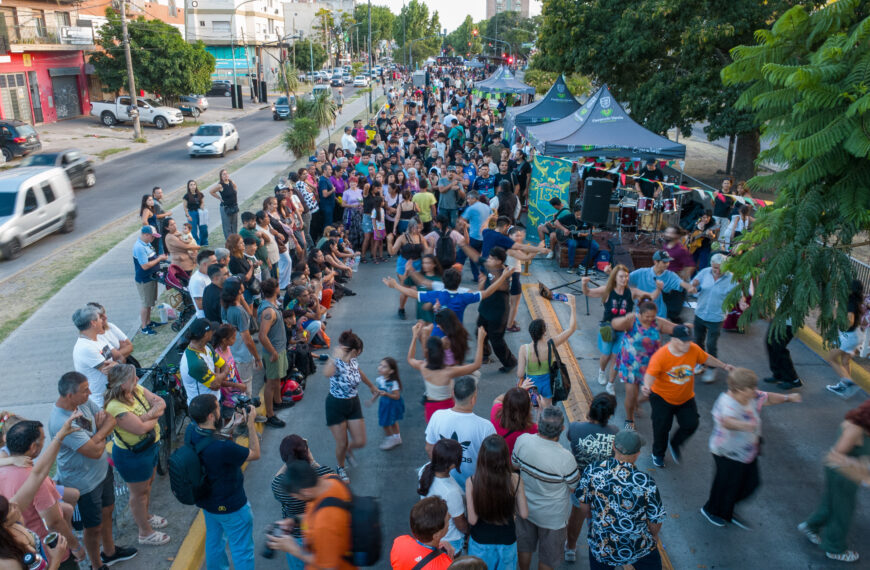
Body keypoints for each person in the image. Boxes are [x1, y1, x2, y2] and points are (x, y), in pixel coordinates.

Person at [49, 372, 138, 569]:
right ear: (69, 395)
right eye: (84, 390)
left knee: (108, 512)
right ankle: (96, 565)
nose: (90, 392)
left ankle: (110, 552)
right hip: (83, 484)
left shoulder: (81, 404)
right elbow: (92, 452)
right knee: (93, 527)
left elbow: (111, 419)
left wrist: (96, 435)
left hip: (101, 472)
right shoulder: (61, 421)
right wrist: (100, 433)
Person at [701, 368, 801, 529]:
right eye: (751, 388)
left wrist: (789, 397)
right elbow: (726, 421)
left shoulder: (750, 396)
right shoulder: (726, 403)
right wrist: (745, 425)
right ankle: (711, 510)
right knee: (725, 484)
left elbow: (768, 398)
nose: (755, 391)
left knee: (751, 484)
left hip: (747, 451)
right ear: (739, 389)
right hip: (727, 452)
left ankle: (726, 508)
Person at [642, 325, 734, 468]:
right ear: (674, 339)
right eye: (683, 341)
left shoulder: (693, 349)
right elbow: (650, 374)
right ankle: (658, 454)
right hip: (662, 398)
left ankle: (675, 443)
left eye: (688, 340)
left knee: (691, 424)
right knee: (661, 429)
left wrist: (723, 366)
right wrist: (647, 386)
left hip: (685, 397)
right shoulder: (661, 355)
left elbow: (705, 358)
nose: (687, 344)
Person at [186, 394, 259, 570]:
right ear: (211, 416)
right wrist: (251, 424)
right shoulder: (223, 448)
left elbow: (211, 439)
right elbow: (255, 454)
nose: (220, 409)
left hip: (208, 503)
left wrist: (232, 425)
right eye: (217, 407)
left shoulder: (191, 431)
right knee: (242, 549)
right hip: (232, 506)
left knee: (214, 543)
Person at [0, 411, 80, 570]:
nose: (15, 506)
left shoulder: (11, 516)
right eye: (10, 508)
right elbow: (53, 520)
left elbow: (38, 475)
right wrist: (56, 560)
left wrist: (60, 436)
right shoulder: (7, 562)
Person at [577, 430, 666, 570]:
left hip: (602, 546)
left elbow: (584, 505)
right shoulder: (646, 483)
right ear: (637, 454)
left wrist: (593, 523)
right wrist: (653, 537)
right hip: (638, 547)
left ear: (613, 446)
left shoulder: (592, 470)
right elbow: (656, 520)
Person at [102, 364, 169, 546]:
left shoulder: (136, 389)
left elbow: (161, 403)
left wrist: (146, 417)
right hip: (134, 456)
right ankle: (145, 532)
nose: (138, 380)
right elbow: (140, 429)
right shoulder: (115, 407)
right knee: (138, 494)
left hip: (150, 447)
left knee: (147, 487)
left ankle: (145, 516)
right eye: (133, 378)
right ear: (123, 385)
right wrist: (154, 416)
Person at [798, 400, 870, 563]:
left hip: (848, 473)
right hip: (843, 475)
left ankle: (811, 526)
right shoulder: (855, 430)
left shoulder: (860, 421)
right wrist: (859, 465)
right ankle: (834, 548)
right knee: (843, 510)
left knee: (831, 502)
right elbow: (834, 456)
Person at [512, 407, 580, 570]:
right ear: (562, 429)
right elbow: (573, 487)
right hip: (553, 517)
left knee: (524, 546)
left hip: (525, 507)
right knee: (549, 556)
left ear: (538, 423)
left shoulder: (523, 441)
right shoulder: (566, 458)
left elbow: (514, 465)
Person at [268, 460, 355, 570]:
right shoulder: (330, 479)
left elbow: (329, 567)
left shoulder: (325, 523)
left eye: (296, 496)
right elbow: (315, 513)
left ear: (306, 492)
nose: (297, 499)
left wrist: (294, 549)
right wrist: (294, 520)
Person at [564, 394, 619, 562]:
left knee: (577, 516)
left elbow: (569, 439)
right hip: (604, 486)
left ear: (591, 407)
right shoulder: (615, 433)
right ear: (609, 415)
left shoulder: (574, 428)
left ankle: (571, 548)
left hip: (580, 484)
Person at [582, 265, 653, 393]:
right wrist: (584, 284)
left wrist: (658, 289)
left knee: (616, 357)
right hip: (608, 328)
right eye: (621, 276)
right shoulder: (607, 290)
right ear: (614, 277)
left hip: (623, 331)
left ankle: (610, 383)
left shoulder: (632, 292)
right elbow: (588, 292)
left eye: (626, 276)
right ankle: (601, 371)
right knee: (606, 355)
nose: (625, 279)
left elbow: (650, 296)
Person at [611, 300, 680, 430]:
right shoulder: (632, 321)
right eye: (647, 316)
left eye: (652, 316)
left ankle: (637, 402)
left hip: (651, 366)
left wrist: (687, 327)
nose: (650, 319)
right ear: (640, 314)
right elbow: (615, 324)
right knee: (631, 394)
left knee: (655, 393)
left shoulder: (657, 322)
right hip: (631, 364)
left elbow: (676, 329)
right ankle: (629, 418)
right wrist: (625, 318)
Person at [322, 330, 378, 483]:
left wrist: (371, 386)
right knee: (342, 442)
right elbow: (326, 373)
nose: (359, 354)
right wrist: (333, 357)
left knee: (360, 441)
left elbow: (358, 371)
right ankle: (340, 467)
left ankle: (347, 451)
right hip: (336, 405)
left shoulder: (353, 360)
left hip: (353, 402)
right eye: (358, 352)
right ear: (354, 350)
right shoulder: (337, 362)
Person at [270, 435, 334, 570]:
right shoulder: (326, 475)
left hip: (296, 537)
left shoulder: (280, 485)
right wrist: (311, 460)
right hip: (322, 535)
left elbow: (276, 478)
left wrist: (290, 459)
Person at [425, 376, 495, 488]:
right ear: (473, 399)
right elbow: (492, 462)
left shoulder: (437, 416)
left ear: (453, 394)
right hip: (474, 487)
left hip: (444, 483)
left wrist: (440, 473)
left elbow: (429, 448)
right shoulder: (486, 427)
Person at [409, 324, 486, 422]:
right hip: (448, 407)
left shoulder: (422, 366)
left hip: (430, 408)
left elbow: (410, 358)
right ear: (442, 352)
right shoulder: (448, 372)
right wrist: (480, 340)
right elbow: (476, 365)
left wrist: (414, 336)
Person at [517, 295, 577, 408]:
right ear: (544, 332)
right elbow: (571, 329)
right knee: (546, 408)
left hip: (531, 385)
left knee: (535, 408)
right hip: (547, 383)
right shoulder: (551, 345)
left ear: (531, 333)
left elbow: (520, 374)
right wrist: (573, 307)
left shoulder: (524, 349)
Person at [691, 253, 740, 383]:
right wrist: (694, 285)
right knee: (697, 341)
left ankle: (712, 368)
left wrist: (742, 302)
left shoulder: (731, 278)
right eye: (714, 268)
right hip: (700, 313)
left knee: (711, 343)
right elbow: (694, 284)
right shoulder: (704, 272)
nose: (717, 271)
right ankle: (700, 363)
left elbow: (738, 294)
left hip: (716, 316)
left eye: (719, 268)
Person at [418, 439, 468, 554]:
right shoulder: (451, 492)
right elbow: (460, 524)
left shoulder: (424, 469)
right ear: (452, 465)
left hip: (434, 533)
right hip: (451, 540)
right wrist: (470, 532)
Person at [256, 278, 290, 428]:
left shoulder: (271, 305)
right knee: (270, 383)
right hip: (274, 352)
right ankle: (270, 414)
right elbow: (262, 336)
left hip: (279, 349)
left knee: (277, 380)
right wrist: (273, 352)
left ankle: (278, 402)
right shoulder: (268, 311)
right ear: (276, 289)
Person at [391, 497, 455, 570]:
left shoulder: (400, 542)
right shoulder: (446, 566)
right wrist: (451, 561)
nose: (450, 516)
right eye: (447, 520)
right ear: (436, 536)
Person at [826, 279, 865, 399]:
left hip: (848, 335)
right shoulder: (856, 301)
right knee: (845, 361)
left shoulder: (850, 302)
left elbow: (850, 320)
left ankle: (848, 382)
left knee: (830, 358)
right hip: (857, 334)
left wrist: (839, 323)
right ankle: (844, 387)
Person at [71, 305, 116, 408]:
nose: (102, 320)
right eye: (99, 318)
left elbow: (117, 359)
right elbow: (110, 371)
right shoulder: (85, 348)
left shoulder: (98, 338)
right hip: (102, 402)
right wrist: (116, 365)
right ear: (93, 323)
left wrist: (116, 365)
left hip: (112, 396)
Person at [629, 250, 694, 318]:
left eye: (668, 261)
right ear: (656, 262)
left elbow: (680, 282)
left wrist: (689, 287)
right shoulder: (641, 273)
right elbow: (625, 279)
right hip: (641, 314)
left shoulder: (670, 275)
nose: (667, 264)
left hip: (658, 316)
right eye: (664, 262)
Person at [132, 225, 168, 335]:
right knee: (145, 303)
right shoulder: (139, 247)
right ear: (146, 235)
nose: (154, 239)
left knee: (150, 302)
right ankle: (144, 327)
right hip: (145, 279)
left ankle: (148, 322)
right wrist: (159, 259)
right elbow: (145, 266)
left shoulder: (147, 244)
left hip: (151, 277)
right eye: (152, 237)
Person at [490, 386, 538, 457]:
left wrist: (518, 390)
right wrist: (543, 408)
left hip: (496, 457)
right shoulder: (531, 428)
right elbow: (542, 429)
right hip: (513, 463)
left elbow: (497, 399)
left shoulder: (495, 411)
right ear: (527, 407)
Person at [660, 226, 695, 323]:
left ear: (676, 236)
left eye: (670, 233)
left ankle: (681, 330)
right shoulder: (665, 246)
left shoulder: (681, 250)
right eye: (667, 232)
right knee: (661, 307)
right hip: (664, 281)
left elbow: (691, 265)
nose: (667, 235)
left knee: (673, 313)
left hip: (675, 285)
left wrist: (682, 277)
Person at [370, 357, 405, 450]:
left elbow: (397, 396)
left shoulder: (393, 383)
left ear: (391, 371)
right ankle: (397, 438)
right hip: (384, 404)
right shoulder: (380, 379)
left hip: (391, 404)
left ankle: (391, 439)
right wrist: (372, 399)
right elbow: (378, 391)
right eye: (380, 365)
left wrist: (386, 394)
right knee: (392, 421)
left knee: (385, 423)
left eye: (384, 367)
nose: (380, 368)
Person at [456, 191, 491, 281]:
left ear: (474, 199)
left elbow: (461, 221)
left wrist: (457, 231)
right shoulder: (487, 207)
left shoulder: (471, 208)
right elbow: (491, 218)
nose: (467, 201)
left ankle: (455, 274)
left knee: (461, 254)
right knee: (475, 257)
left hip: (474, 237)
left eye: (468, 198)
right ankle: (477, 277)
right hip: (484, 237)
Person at [209, 169, 239, 239]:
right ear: (221, 176)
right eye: (224, 174)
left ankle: (235, 241)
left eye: (226, 173)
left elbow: (235, 188)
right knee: (227, 227)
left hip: (234, 206)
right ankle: (229, 243)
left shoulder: (231, 182)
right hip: (225, 208)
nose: (226, 175)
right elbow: (211, 191)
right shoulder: (220, 185)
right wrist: (219, 198)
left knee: (234, 225)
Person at [189, 249, 217, 319]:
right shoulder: (197, 280)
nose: (217, 263)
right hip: (208, 317)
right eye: (214, 261)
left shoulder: (210, 273)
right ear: (205, 264)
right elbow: (200, 305)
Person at [182, 179, 208, 245]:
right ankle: (196, 243)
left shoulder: (200, 194)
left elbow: (202, 202)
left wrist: (202, 206)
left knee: (203, 228)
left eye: (194, 184)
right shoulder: (186, 196)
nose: (193, 186)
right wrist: (188, 215)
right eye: (191, 185)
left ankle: (204, 243)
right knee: (193, 230)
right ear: (189, 187)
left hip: (200, 213)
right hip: (192, 213)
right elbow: (185, 207)